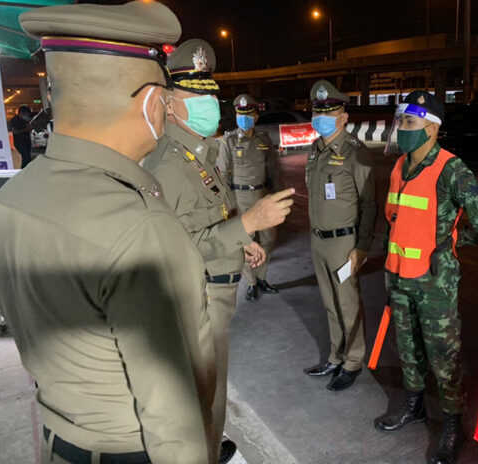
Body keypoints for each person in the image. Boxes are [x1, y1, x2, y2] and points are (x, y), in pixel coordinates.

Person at [0, 2, 220, 463]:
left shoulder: (15, 197)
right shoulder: (139, 227)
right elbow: (173, 418)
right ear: (150, 102)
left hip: (59, 443)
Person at [143, 39, 294, 463]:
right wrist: (249, 223)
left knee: (213, 392)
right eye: (198, 94)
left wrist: (242, 242)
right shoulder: (168, 165)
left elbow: (210, 215)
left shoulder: (197, 153)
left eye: (212, 93)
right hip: (199, 300)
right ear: (170, 102)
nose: (211, 102)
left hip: (218, 296)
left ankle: (209, 446)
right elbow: (175, 248)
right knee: (200, 396)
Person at [374, 91, 478, 464]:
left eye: (410, 123)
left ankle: (452, 427)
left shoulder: (451, 169)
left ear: (432, 128)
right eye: (401, 123)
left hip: (434, 282)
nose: (403, 130)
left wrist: (451, 243)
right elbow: (394, 220)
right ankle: (413, 406)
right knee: (409, 349)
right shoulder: (399, 166)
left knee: (443, 357)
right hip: (399, 276)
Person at [303, 79, 376, 391]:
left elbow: (370, 204)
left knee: (348, 304)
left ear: (344, 117)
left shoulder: (355, 154)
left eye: (329, 111)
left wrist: (361, 247)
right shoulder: (316, 150)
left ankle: (353, 360)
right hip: (318, 240)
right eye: (318, 111)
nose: (321, 117)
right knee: (330, 303)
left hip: (344, 243)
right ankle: (335, 355)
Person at [218, 94, 280, 301]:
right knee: (245, 240)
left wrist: (277, 196)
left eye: (247, 114)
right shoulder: (229, 140)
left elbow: (273, 170)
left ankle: (261, 278)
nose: (243, 118)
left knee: (269, 239)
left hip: (262, 195)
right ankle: (251, 283)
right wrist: (227, 206)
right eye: (239, 114)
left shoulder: (264, 140)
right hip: (240, 197)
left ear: (255, 116)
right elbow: (222, 174)